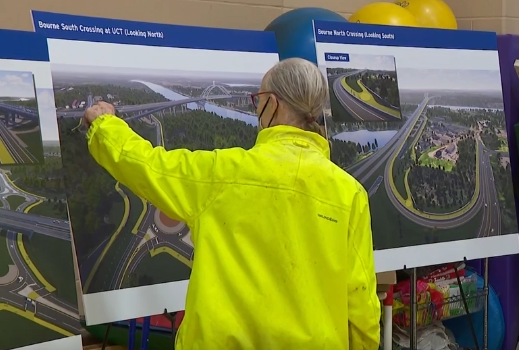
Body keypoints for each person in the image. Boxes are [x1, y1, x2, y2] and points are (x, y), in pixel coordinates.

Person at [82, 58, 381, 350]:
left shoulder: (223, 173)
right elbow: (361, 300)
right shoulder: (349, 193)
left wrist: (106, 125)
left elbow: (147, 165)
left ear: (272, 104)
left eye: (258, 100)